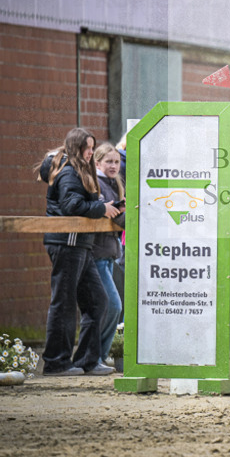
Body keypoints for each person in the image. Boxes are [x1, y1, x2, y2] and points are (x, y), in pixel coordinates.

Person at [35, 128, 119, 376]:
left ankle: (87, 360)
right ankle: (56, 362)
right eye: (87, 148)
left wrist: (105, 207)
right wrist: (100, 208)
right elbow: (71, 205)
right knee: (64, 303)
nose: (91, 153)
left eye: (93, 148)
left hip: (81, 244)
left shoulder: (78, 169)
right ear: (75, 147)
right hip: (67, 242)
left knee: (97, 301)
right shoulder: (69, 171)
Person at [93, 142, 125, 365]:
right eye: (109, 162)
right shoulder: (97, 185)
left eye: (116, 162)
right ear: (97, 163)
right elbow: (115, 215)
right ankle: (96, 356)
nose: (114, 165)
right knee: (112, 306)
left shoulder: (115, 184)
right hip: (96, 255)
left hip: (108, 255)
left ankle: (98, 357)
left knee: (110, 307)